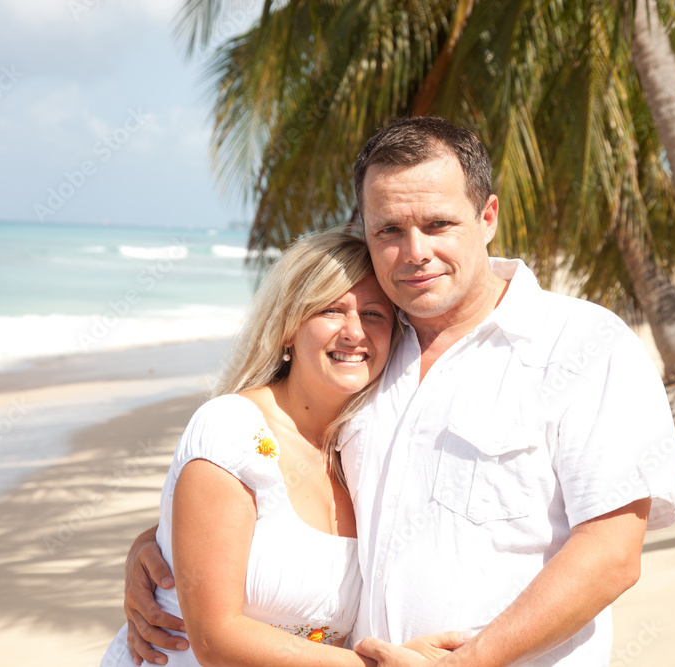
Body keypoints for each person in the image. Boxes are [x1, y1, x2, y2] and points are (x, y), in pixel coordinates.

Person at [123, 117, 675, 666]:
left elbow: (611, 555)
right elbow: (282, 485)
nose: (415, 251)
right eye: (389, 230)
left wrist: (465, 664)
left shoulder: (583, 345)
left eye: (438, 224)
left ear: (487, 217)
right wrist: (159, 547)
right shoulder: (369, 353)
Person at [102, 229, 461, 667]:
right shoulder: (233, 430)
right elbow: (214, 639)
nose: (354, 332)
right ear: (289, 327)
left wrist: (149, 541)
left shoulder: (360, 451)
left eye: (373, 315)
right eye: (331, 310)